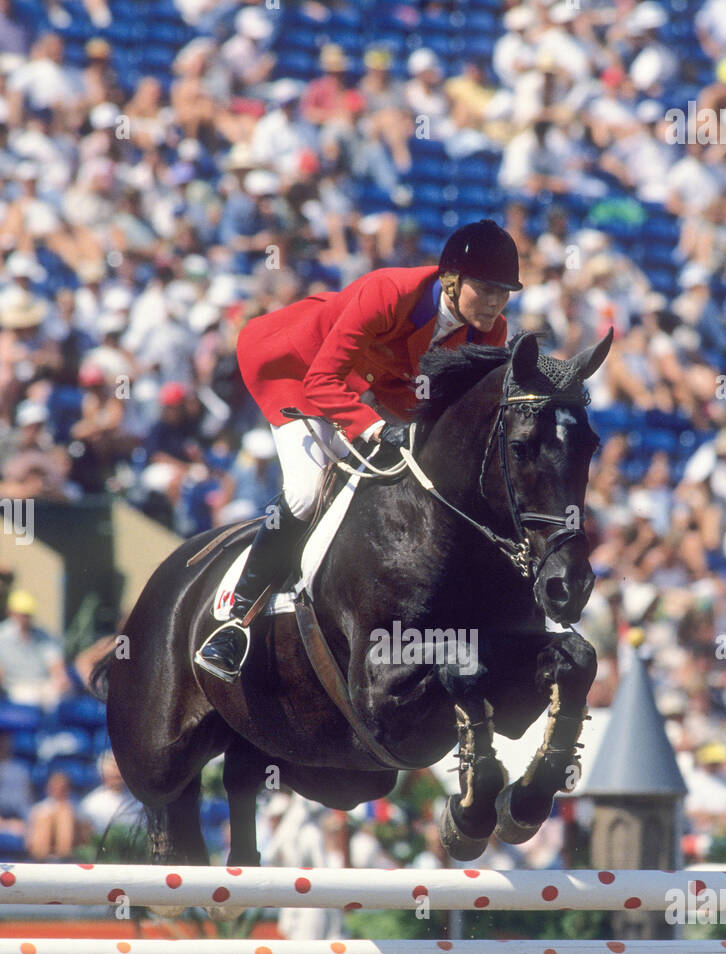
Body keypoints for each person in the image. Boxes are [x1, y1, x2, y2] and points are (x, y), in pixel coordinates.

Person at [194, 219, 522, 682]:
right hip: (296, 368)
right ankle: (235, 620)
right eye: (485, 290)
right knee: (307, 491)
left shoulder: (490, 331)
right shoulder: (388, 292)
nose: (494, 303)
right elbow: (321, 381)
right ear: (451, 279)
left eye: (503, 293)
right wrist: (373, 429)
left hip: (371, 390)